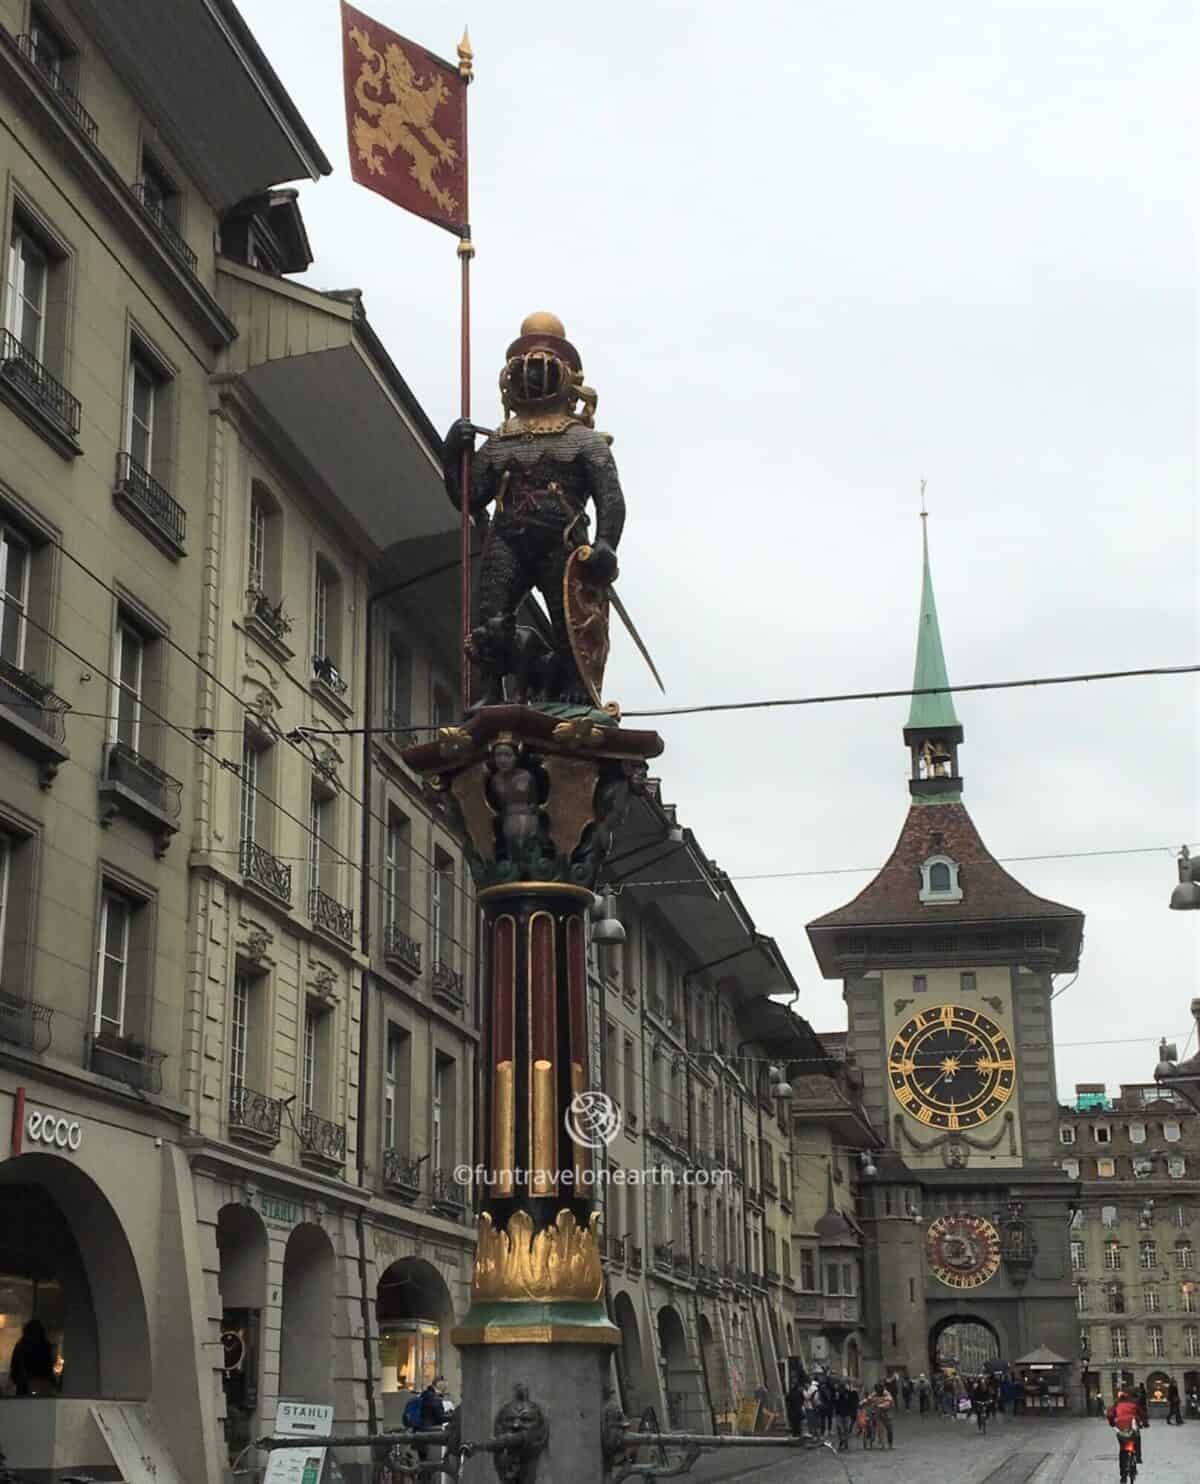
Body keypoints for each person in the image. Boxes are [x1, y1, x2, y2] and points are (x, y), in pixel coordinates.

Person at [10, 1318, 56, 1397]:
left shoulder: (21, 1345)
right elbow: (48, 1366)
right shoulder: (45, 1345)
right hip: (41, 1385)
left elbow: (14, 1369)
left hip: (24, 1386)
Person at [1107, 1390, 1142, 1468]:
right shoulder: (1133, 1404)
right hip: (1132, 1424)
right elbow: (1141, 1414)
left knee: (1122, 1445)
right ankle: (1138, 1457)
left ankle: (1123, 1472)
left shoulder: (1116, 1404)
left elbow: (1110, 1414)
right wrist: (1145, 1423)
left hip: (1120, 1426)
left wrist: (1112, 1424)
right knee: (1137, 1438)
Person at [834, 1383, 857, 1452]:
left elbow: (852, 1403)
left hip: (847, 1414)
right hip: (839, 1414)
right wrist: (836, 1398)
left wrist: (852, 1412)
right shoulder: (837, 1394)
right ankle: (841, 1440)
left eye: (842, 1389)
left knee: (846, 1429)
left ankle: (846, 1443)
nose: (841, 1390)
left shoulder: (849, 1393)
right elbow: (834, 1402)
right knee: (839, 1428)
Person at [873, 1381, 894, 1449]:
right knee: (880, 1428)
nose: (878, 1392)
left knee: (889, 1429)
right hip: (878, 1413)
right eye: (877, 1390)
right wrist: (862, 1402)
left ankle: (890, 1443)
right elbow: (868, 1399)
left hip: (887, 1413)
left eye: (879, 1390)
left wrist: (883, 1405)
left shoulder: (887, 1394)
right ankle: (882, 1443)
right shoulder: (874, 1394)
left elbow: (890, 1401)